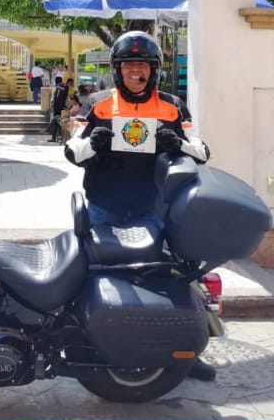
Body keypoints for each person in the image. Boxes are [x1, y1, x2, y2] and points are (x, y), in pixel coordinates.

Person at [64, 30, 216, 383]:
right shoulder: (97, 104)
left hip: (156, 209)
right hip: (104, 205)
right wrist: (94, 145)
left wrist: (177, 142)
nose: (136, 72)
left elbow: (203, 151)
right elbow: (73, 151)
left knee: (175, 278)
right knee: (100, 277)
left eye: (144, 65)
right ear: (117, 70)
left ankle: (189, 353)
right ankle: (92, 343)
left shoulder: (173, 106)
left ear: (155, 70)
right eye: (129, 65)